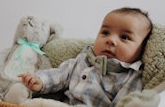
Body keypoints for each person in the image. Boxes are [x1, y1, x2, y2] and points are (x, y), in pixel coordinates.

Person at [19, 7, 153, 107]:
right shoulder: (83, 59)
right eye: (105, 32)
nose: (111, 40)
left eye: (124, 37)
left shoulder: (132, 76)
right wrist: (40, 81)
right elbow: (61, 74)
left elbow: (125, 103)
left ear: (143, 48)